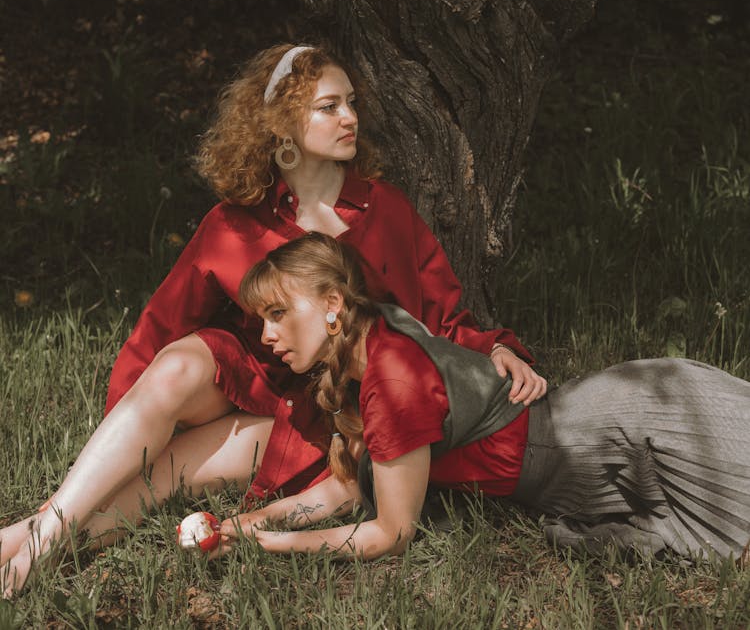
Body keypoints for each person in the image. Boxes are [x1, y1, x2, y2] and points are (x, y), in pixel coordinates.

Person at [0, 43, 545, 596]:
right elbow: (161, 330)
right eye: (329, 106)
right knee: (174, 366)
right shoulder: (233, 224)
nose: (350, 117)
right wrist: (126, 427)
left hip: (322, 414)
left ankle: (22, 542)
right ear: (283, 125)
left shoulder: (386, 211)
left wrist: (496, 349)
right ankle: (40, 544)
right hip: (246, 378)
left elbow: (440, 316)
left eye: (351, 103)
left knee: (159, 477)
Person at [214, 233, 750, 563]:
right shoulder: (375, 348)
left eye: (278, 314)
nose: (265, 335)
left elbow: (389, 535)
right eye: (261, 320)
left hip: (631, 436)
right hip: (605, 440)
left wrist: (273, 547)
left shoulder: (391, 377)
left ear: (333, 304)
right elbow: (342, 493)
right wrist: (242, 527)